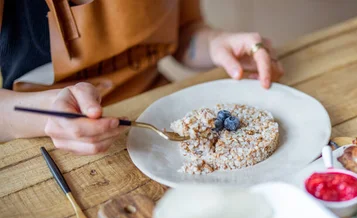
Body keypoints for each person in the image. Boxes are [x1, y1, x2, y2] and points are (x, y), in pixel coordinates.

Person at [0, 0, 283, 154]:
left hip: (162, 120)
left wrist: (215, 43)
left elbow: (183, 33)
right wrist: (47, 113)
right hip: (45, 143)